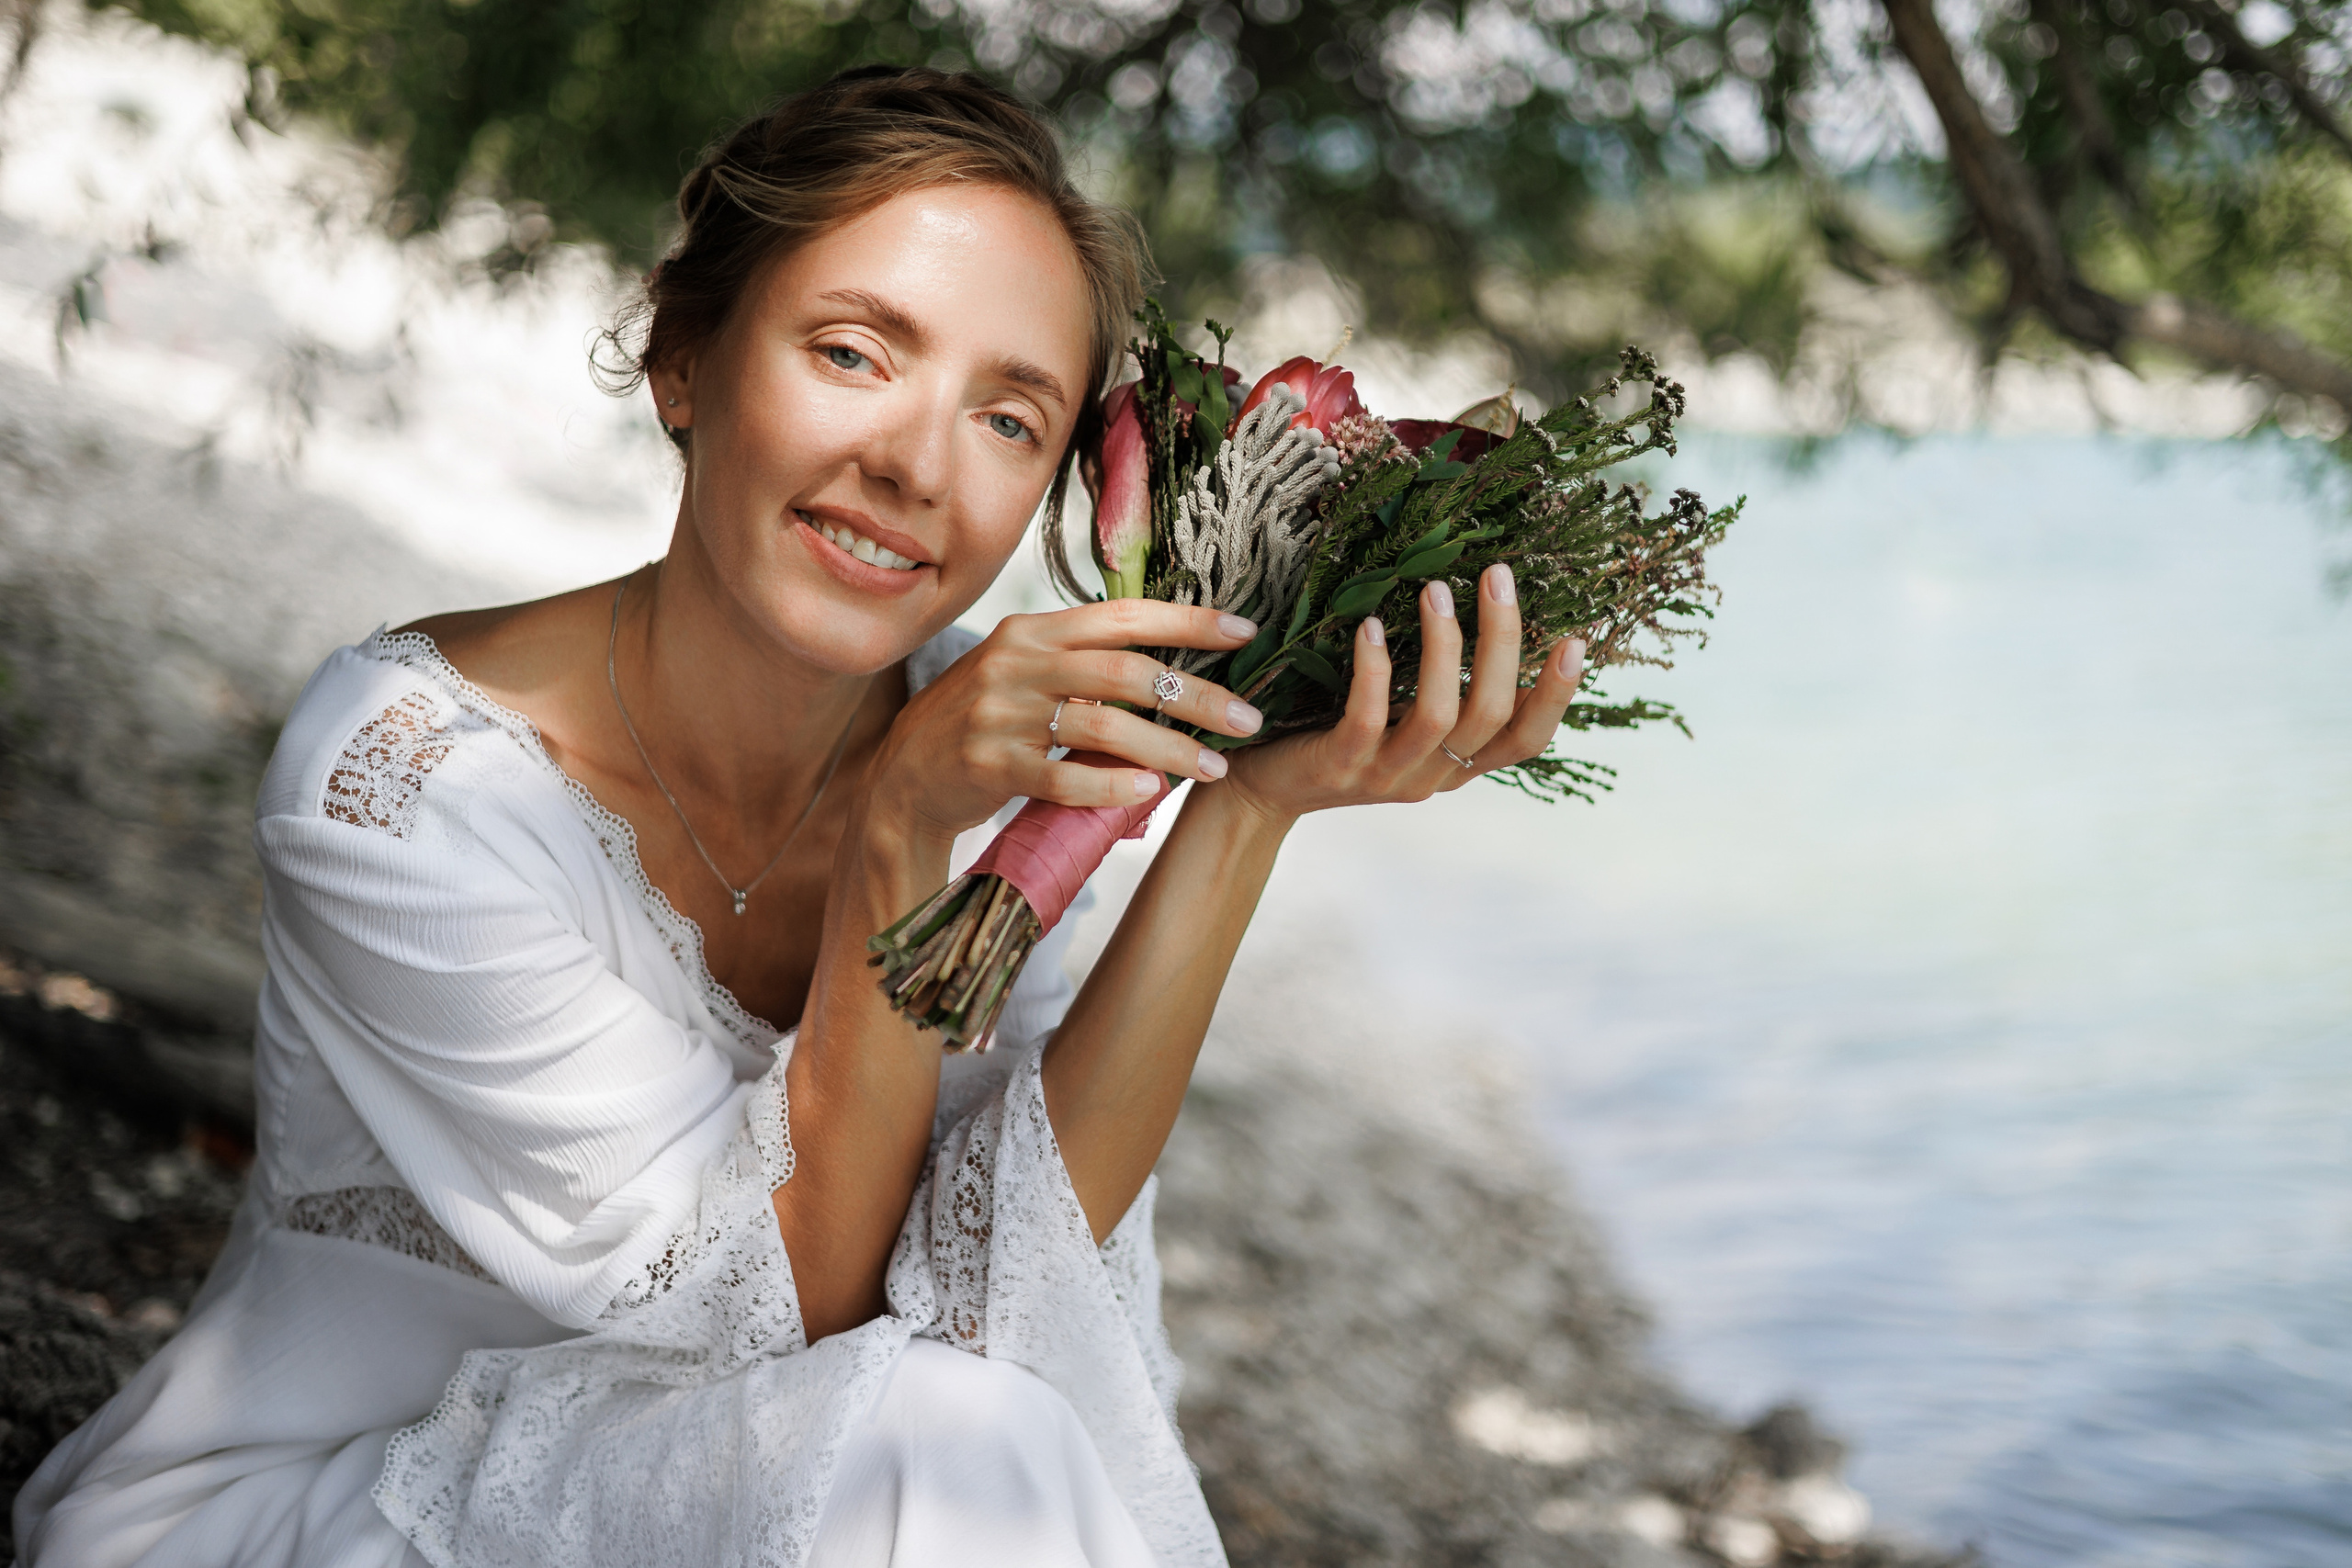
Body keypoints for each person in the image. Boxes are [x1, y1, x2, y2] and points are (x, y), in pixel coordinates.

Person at [13, 66, 1586, 1568]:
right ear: (682, 359)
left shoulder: (1007, 747)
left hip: (799, 1499)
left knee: (971, 1422)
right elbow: (802, 1316)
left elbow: (1001, 1290)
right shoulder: (413, 785)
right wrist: (901, 834)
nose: (913, 465)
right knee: (946, 1441)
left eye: (1009, 418)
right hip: (347, 1505)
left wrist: (1239, 814)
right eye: (852, 351)